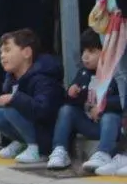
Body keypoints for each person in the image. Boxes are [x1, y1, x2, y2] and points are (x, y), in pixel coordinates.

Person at [0, 29, 63, 164]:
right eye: (1, 52)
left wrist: (15, 99)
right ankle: (21, 142)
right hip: (31, 125)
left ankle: (35, 148)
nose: (2, 56)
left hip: (46, 133)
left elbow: (44, 110)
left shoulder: (43, 78)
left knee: (12, 109)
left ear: (26, 53)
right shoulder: (11, 78)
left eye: (7, 50)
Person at [48, 30, 123, 172]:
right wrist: (72, 93)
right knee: (66, 110)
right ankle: (60, 150)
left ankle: (104, 153)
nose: (85, 56)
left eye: (92, 51)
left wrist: (103, 106)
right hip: (89, 124)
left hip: (111, 127)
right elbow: (72, 103)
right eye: (83, 51)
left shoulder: (117, 75)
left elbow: (122, 101)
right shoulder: (83, 73)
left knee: (110, 116)